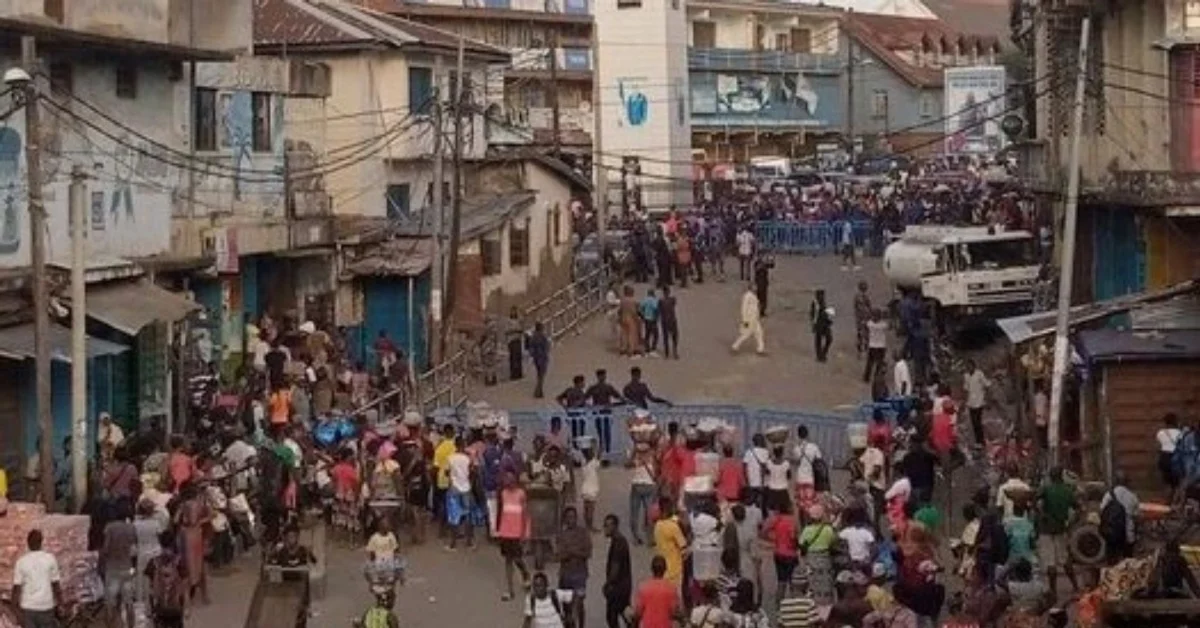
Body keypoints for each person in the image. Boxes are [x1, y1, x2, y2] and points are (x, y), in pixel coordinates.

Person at [1036, 467, 1078, 596]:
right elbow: (1077, 507)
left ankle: (1053, 590)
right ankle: (1075, 586)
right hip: (1061, 528)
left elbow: (1035, 501)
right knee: (1064, 559)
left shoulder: (1046, 490)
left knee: (1050, 562)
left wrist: (1042, 514)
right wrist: (1071, 522)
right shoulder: (1068, 491)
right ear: (1061, 476)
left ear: (1050, 477)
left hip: (1046, 529)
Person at [12, 530, 61, 628]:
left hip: (28, 607)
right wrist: (60, 603)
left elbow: (17, 588)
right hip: (46, 606)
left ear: (28, 543)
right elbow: (56, 584)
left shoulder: (21, 562)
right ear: (41, 542)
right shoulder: (50, 559)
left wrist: (15, 609)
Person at [101, 501, 138, 628]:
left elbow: (105, 548)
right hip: (127, 568)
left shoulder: (109, 527)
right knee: (129, 603)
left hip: (112, 568)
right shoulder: (131, 528)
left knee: (109, 603)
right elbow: (134, 550)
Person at [496, 471, 532, 600]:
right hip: (505, 532)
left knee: (517, 559)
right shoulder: (503, 494)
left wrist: (526, 532)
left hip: (517, 533)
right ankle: (509, 590)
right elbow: (501, 512)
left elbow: (525, 515)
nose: (508, 483)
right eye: (506, 480)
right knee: (508, 561)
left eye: (510, 480)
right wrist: (498, 530)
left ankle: (525, 573)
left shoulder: (521, 494)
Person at [557, 506, 592, 627]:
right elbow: (560, 555)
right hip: (565, 575)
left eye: (573, 517)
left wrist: (571, 552)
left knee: (579, 604)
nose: (571, 520)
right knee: (566, 607)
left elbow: (587, 553)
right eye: (568, 517)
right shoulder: (561, 535)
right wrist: (576, 552)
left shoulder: (583, 533)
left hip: (580, 574)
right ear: (565, 519)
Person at [145, 530, 187, 628]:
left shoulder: (153, 562)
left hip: (160, 607)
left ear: (160, 543)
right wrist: (186, 607)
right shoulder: (179, 561)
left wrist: (149, 608)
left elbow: (149, 588)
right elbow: (185, 585)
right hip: (176, 607)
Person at [797, 505, 836, 607]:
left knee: (812, 584)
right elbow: (833, 542)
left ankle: (813, 607)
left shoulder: (807, 530)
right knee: (826, 584)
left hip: (811, 560)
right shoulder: (828, 529)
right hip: (825, 560)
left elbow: (801, 545)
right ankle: (826, 607)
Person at [762, 501, 799, 604]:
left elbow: (764, 531)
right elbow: (793, 537)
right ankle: (795, 605)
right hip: (791, 554)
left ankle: (778, 606)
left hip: (778, 553)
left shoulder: (776, 519)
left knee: (781, 582)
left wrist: (772, 539)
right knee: (794, 583)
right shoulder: (792, 521)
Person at [1099, 472, 1139, 563]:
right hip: (1127, 534)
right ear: (1127, 482)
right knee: (1127, 563)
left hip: (1111, 533)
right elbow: (1136, 516)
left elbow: (1101, 510)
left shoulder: (1109, 495)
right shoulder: (1132, 496)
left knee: (1112, 561)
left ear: (1115, 482)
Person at [632, 556, 681, 628]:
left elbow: (638, 613)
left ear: (652, 569)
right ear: (665, 569)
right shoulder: (671, 589)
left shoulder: (643, 588)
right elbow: (674, 612)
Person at [446, 437, 476, 550]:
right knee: (468, 516)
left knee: (454, 516)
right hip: (466, 487)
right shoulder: (468, 459)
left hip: (454, 488)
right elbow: (473, 472)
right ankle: (469, 542)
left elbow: (447, 472)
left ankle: (453, 544)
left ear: (455, 445)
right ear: (463, 445)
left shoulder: (450, 458)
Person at [603, 515, 632, 628]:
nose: (605, 528)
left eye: (607, 525)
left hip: (618, 588)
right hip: (624, 586)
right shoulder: (619, 541)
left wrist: (608, 584)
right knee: (624, 614)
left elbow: (616, 567)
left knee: (612, 616)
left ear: (614, 526)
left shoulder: (618, 544)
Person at [652, 497, 688, 586]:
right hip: (674, 570)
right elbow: (683, 547)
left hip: (662, 568)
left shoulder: (657, 525)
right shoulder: (673, 527)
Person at [731, 284, 765, 355]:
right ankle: (735, 346)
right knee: (746, 334)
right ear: (751, 287)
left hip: (754, 318)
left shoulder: (753, 295)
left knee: (759, 333)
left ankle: (760, 349)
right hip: (749, 319)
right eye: (755, 287)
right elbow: (743, 308)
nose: (756, 288)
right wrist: (745, 320)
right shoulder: (747, 296)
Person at [963, 360, 991, 447]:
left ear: (974, 366)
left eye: (970, 366)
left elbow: (987, 385)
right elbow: (966, 389)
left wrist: (987, 398)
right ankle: (978, 441)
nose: (969, 368)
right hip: (971, 402)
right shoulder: (966, 376)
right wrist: (964, 402)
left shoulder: (979, 374)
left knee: (977, 421)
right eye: (968, 366)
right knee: (974, 422)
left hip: (979, 401)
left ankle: (981, 441)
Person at [1157, 412, 1183, 491]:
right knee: (1178, 481)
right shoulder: (1180, 433)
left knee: (1167, 481)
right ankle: (1176, 499)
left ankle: (1168, 498)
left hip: (1164, 457)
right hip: (1176, 457)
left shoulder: (1160, 433)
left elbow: (1160, 443)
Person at [528, 322, 552, 399]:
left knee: (539, 375)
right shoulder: (543, 337)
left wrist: (533, 355)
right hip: (543, 358)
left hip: (536, 358)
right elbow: (547, 348)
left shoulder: (533, 337)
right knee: (541, 376)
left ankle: (540, 391)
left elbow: (531, 348)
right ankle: (538, 391)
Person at [864, 309, 888, 383]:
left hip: (872, 345)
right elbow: (889, 325)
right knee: (879, 363)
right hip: (881, 346)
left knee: (870, 362)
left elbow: (865, 323)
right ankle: (877, 376)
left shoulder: (870, 324)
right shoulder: (883, 325)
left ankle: (866, 377)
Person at [580, 448, 601, 531]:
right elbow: (598, 458)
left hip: (585, 488)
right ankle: (590, 526)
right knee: (591, 510)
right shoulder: (593, 463)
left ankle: (586, 525)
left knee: (586, 508)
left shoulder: (583, 463)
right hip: (592, 489)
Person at [809, 289, 833, 363]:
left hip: (824, 324)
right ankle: (820, 356)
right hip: (819, 324)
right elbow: (813, 315)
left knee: (829, 339)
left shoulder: (822, 302)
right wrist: (813, 324)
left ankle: (822, 354)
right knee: (819, 340)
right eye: (820, 295)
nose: (822, 297)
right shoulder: (815, 303)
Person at [658, 286, 680, 360]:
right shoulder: (672, 299)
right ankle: (675, 351)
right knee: (674, 336)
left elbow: (660, 310)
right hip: (672, 319)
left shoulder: (661, 301)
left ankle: (667, 353)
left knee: (666, 337)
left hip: (664, 320)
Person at [854, 281, 873, 358]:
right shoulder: (863, 297)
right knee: (863, 334)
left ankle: (862, 350)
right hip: (863, 316)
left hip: (862, 317)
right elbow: (869, 306)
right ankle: (863, 349)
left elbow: (855, 307)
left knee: (863, 334)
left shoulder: (858, 297)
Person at [639, 289, 660, 356]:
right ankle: (653, 348)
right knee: (656, 334)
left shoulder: (645, 300)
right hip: (652, 319)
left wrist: (643, 316)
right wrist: (656, 317)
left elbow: (640, 308)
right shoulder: (653, 300)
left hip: (646, 319)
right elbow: (656, 309)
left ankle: (647, 348)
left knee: (647, 334)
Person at [507, 307, 526, 381]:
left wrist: (519, 330)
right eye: (512, 311)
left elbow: (522, 327)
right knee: (513, 358)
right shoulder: (508, 321)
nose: (513, 313)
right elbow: (507, 330)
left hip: (518, 340)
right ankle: (513, 375)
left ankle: (519, 373)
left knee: (518, 357)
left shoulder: (519, 320)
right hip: (511, 341)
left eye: (515, 311)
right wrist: (514, 330)